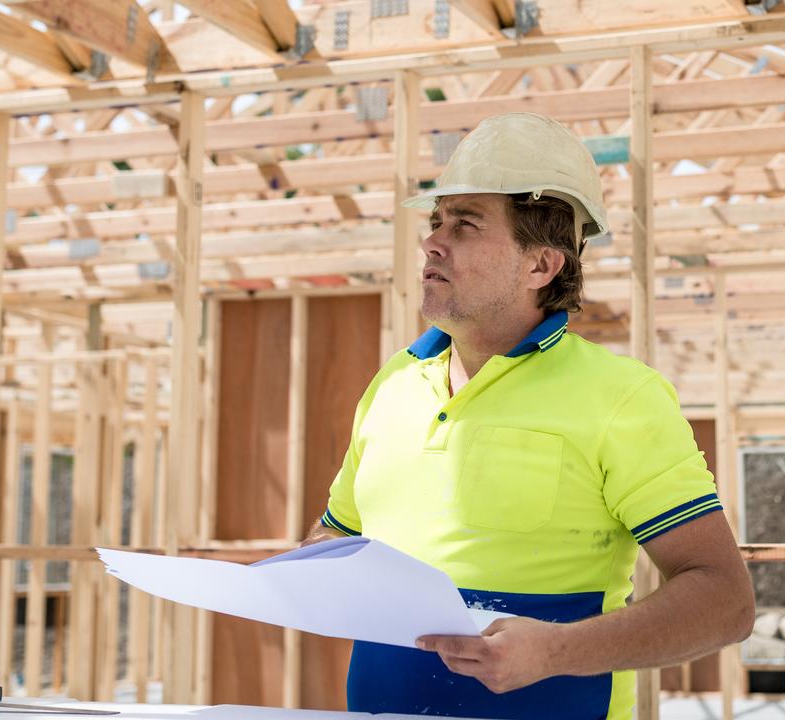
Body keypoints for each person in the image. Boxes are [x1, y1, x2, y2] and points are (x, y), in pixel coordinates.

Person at [302, 112, 754, 720]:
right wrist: (291, 575)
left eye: (464, 225)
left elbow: (725, 600)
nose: (432, 241)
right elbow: (336, 538)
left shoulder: (620, 397)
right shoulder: (393, 385)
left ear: (541, 265)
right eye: (436, 221)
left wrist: (557, 652)